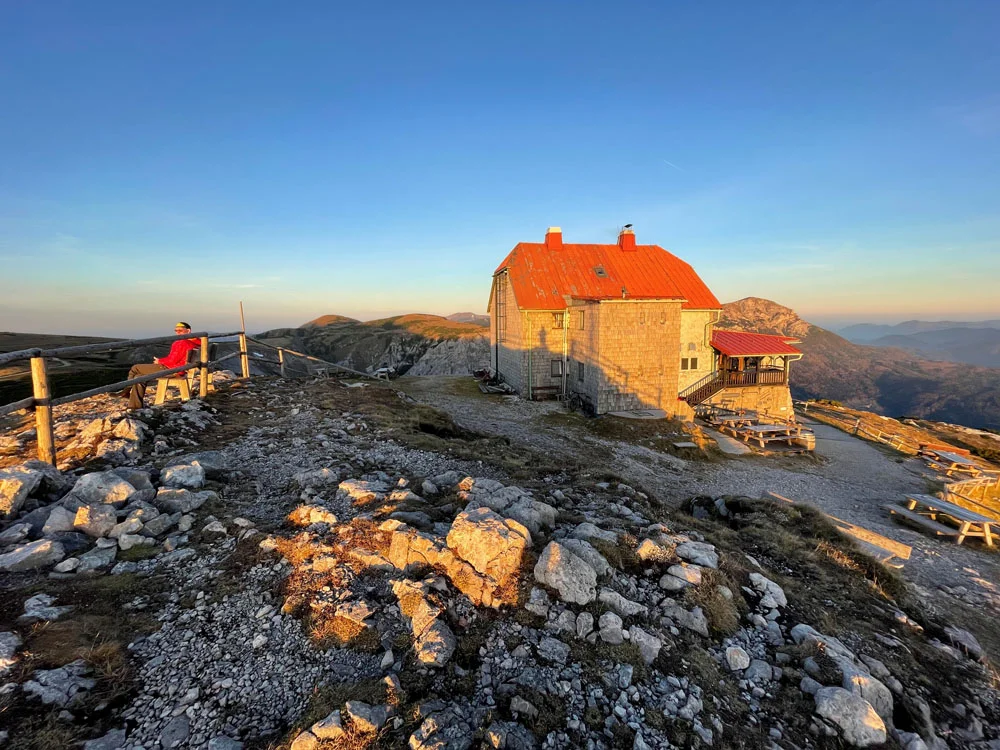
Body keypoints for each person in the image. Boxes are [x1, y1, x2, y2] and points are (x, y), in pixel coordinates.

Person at [123, 322, 201, 409]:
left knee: (135, 368)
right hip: (181, 369)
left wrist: (159, 361)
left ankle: (126, 391)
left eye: (180, 330)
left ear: (188, 331)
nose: (177, 332)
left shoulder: (181, 342)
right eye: (176, 330)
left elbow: (172, 360)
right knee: (139, 376)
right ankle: (135, 405)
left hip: (171, 369)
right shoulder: (198, 342)